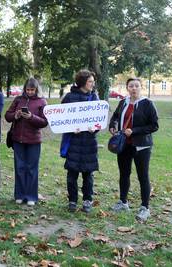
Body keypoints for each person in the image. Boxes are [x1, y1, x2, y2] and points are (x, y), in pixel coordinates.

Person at [109, 78, 159, 222]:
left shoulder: (147, 104)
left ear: (141, 87)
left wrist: (135, 131)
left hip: (142, 146)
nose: (134, 88)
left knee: (143, 176)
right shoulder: (123, 102)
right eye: (131, 86)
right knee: (124, 174)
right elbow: (116, 116)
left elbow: (154, 125)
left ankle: (145, 208)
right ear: (127, 88)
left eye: (136, 86)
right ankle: (123, 202)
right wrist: (112, 125)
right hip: (124, 145)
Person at [5, 78, 48, 206]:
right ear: (24, 89)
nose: (29, 92)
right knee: (19, 168)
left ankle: (31, 197)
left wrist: (31, 117)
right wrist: (16, 116)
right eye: (27, 89)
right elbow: (7, 116)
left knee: (31, 169)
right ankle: (19, 195)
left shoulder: (42, 102)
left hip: (34, 140)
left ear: (36, 89)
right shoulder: (18, 99)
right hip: (18, 139)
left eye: (32, 90)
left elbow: (44, 122)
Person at [61, 70, 99, 213]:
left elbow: (98, 120)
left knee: (88, 175)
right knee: (72, 175)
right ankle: (72, 200)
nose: (92, 84)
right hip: (74, 142)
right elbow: (61, 119)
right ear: (83, 82)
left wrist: (93, 129)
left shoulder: (94, 98)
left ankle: (87, 201)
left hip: (89, 143)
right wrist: (71, 128)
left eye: (93, 81)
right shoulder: (69, 97)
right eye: (90, 81)